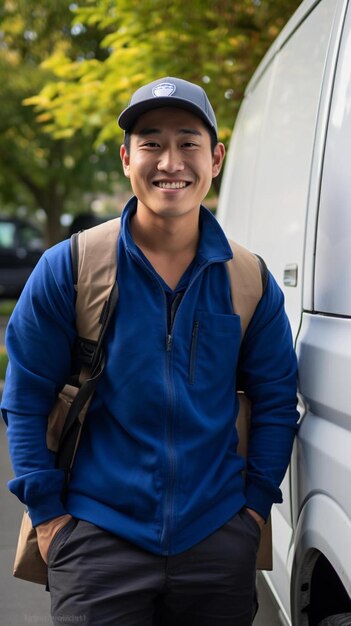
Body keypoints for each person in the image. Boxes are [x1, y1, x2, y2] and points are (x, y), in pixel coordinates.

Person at [1, 77, 299, 626]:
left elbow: (277, 401)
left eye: (188, 142)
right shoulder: (70, 268)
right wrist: (50, 520)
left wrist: (253, 510)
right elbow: (24, 399)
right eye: (151, 142)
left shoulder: (248, 279)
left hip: (216, 539)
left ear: (216, 158)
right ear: (125, 158)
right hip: (95, 541)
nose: (171, 161)